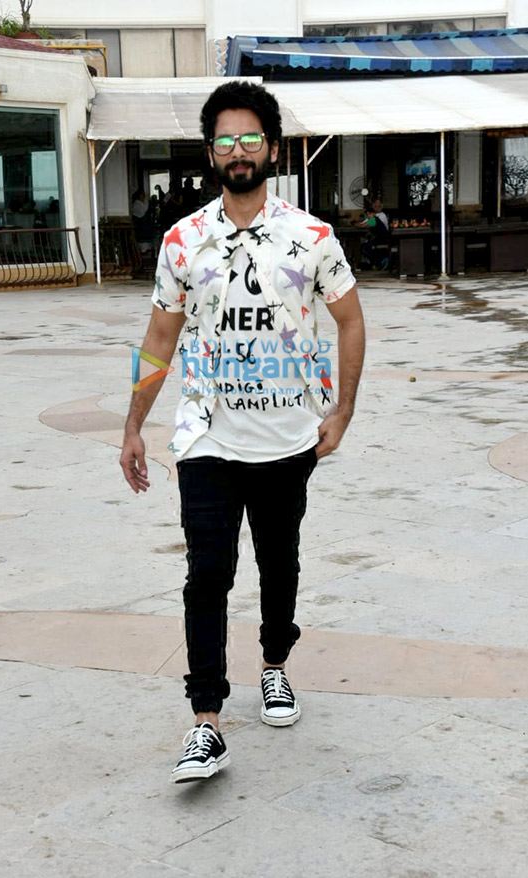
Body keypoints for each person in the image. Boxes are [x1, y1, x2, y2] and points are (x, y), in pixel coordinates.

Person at [120, 81, 365, 784]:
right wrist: (134, 425)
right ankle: (206, 723)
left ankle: (275, 666)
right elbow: (159, 338)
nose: (237, 150)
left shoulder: (312, 237)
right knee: (207, 574)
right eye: (224, 139)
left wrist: (340, 410)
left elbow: (348, 320)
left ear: (272, 148)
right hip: (205, 437)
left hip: (289, 437)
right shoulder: (183, 240)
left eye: (249, 137)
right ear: (209, 153)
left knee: (279, 561)